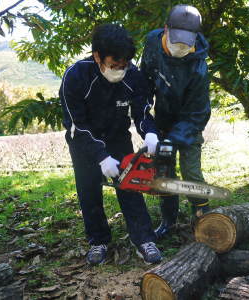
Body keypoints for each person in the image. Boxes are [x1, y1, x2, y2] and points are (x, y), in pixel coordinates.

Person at [59, 24, 162, 265]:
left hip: (117, 137)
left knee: (130, 186)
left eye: (124, 65)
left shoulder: (133, 76)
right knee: (89, 191)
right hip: (84, 142)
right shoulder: (76, 77)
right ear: (97, 56)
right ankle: (98, 241)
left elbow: (142, 110)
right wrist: (101, 157)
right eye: (114, 65)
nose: (120, 70)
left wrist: (150, 134)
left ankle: (144, 239)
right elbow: (76, 125)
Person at [141, 4, 211, 239]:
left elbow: (197, 114)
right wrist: (148, 126)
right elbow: (145, 80)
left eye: (186, 42)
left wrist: (172, 140)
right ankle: (168, 221)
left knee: (191, 172)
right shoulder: (152, 43)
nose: (180, 47)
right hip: (162, 117)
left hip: (189, 122)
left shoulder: (199, 67)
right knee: (164, 173)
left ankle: (202, 216)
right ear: (165, 29)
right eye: (176, 40)